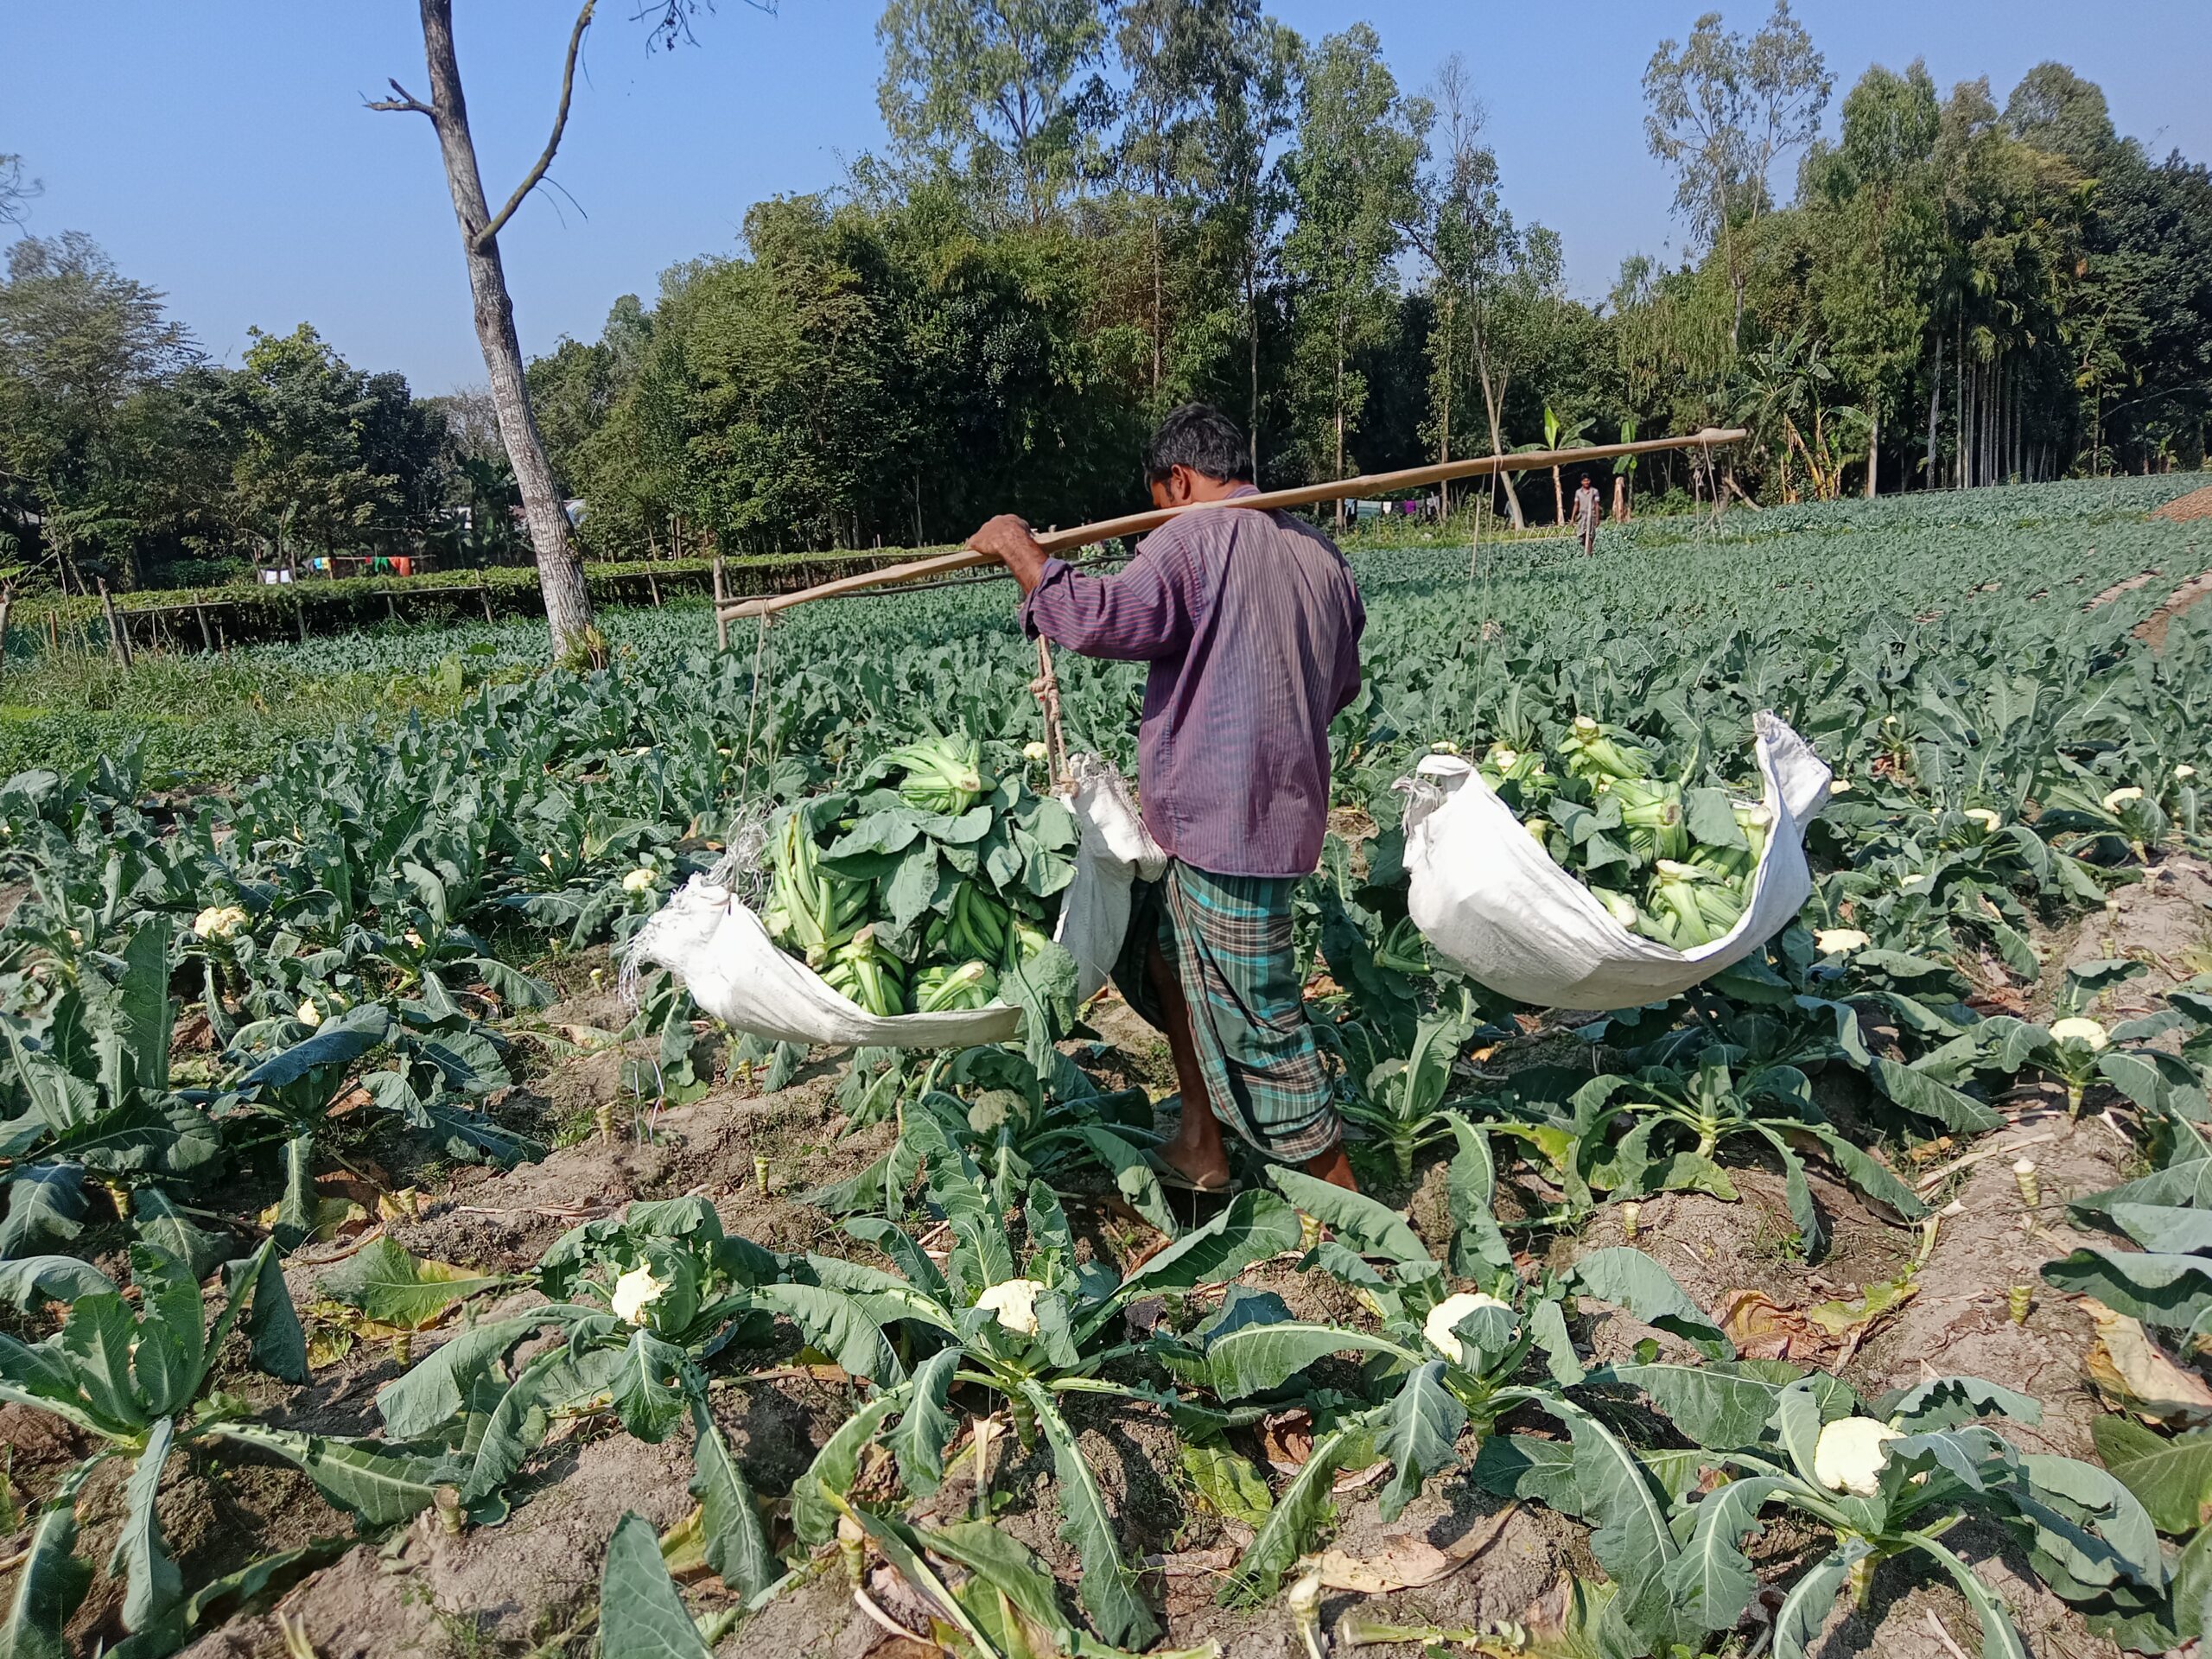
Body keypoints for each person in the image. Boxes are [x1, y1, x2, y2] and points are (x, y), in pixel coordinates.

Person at [965, 404, 1367, 1193]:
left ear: (1177, 479)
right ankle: (1200, 1143)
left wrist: (1020, 550)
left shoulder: (1191, 535)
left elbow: (1105, 616)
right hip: (1271, 812)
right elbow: (1342, 681)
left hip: (1227, 822)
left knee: (1258, 1016)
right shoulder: (1320, 553)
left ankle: (1355, 1209)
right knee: (1164, 954)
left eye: (1157, 498)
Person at [1572, 472, 1603, 556]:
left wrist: (1597, 518)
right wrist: (1573, 517)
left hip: (1591, 515)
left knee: (1590, 535)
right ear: (1582, 482)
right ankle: (1586, 550)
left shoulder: (1594, 491)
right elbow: (1576, 505)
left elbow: (1597, 505)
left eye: (1588, 480)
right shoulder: (1578, 492)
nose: (1586, 482)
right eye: (1584, 481)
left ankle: (1589, 553)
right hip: (1582, 516)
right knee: (1581, 536)